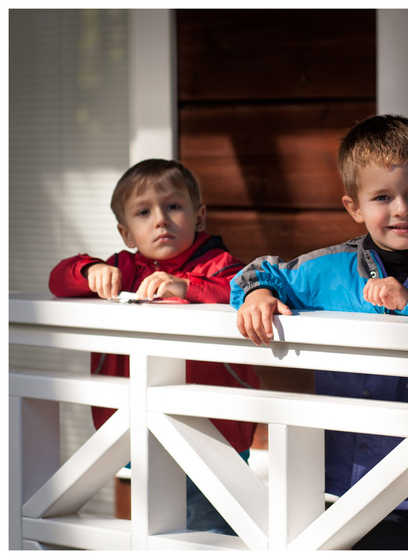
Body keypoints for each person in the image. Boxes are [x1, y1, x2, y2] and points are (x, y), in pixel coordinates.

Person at [231, 114, 408, 549]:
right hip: (349, 486)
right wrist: (258, 294)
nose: (402, 209)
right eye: (382, 197)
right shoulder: (332, 269)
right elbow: (260, 272)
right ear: (354, 207)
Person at [49, 158, 260, 535]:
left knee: (209, 538)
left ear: (199, 216)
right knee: (154, 533)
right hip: (136, 431)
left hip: (213, 436)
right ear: (126, 233)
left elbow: (241, 289)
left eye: (173, 206)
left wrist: (187, 288)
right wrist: (90, 270)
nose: (161, 219)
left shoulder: (220, 265)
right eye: (143, 212)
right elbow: (58, 280)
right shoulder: (123, 269)